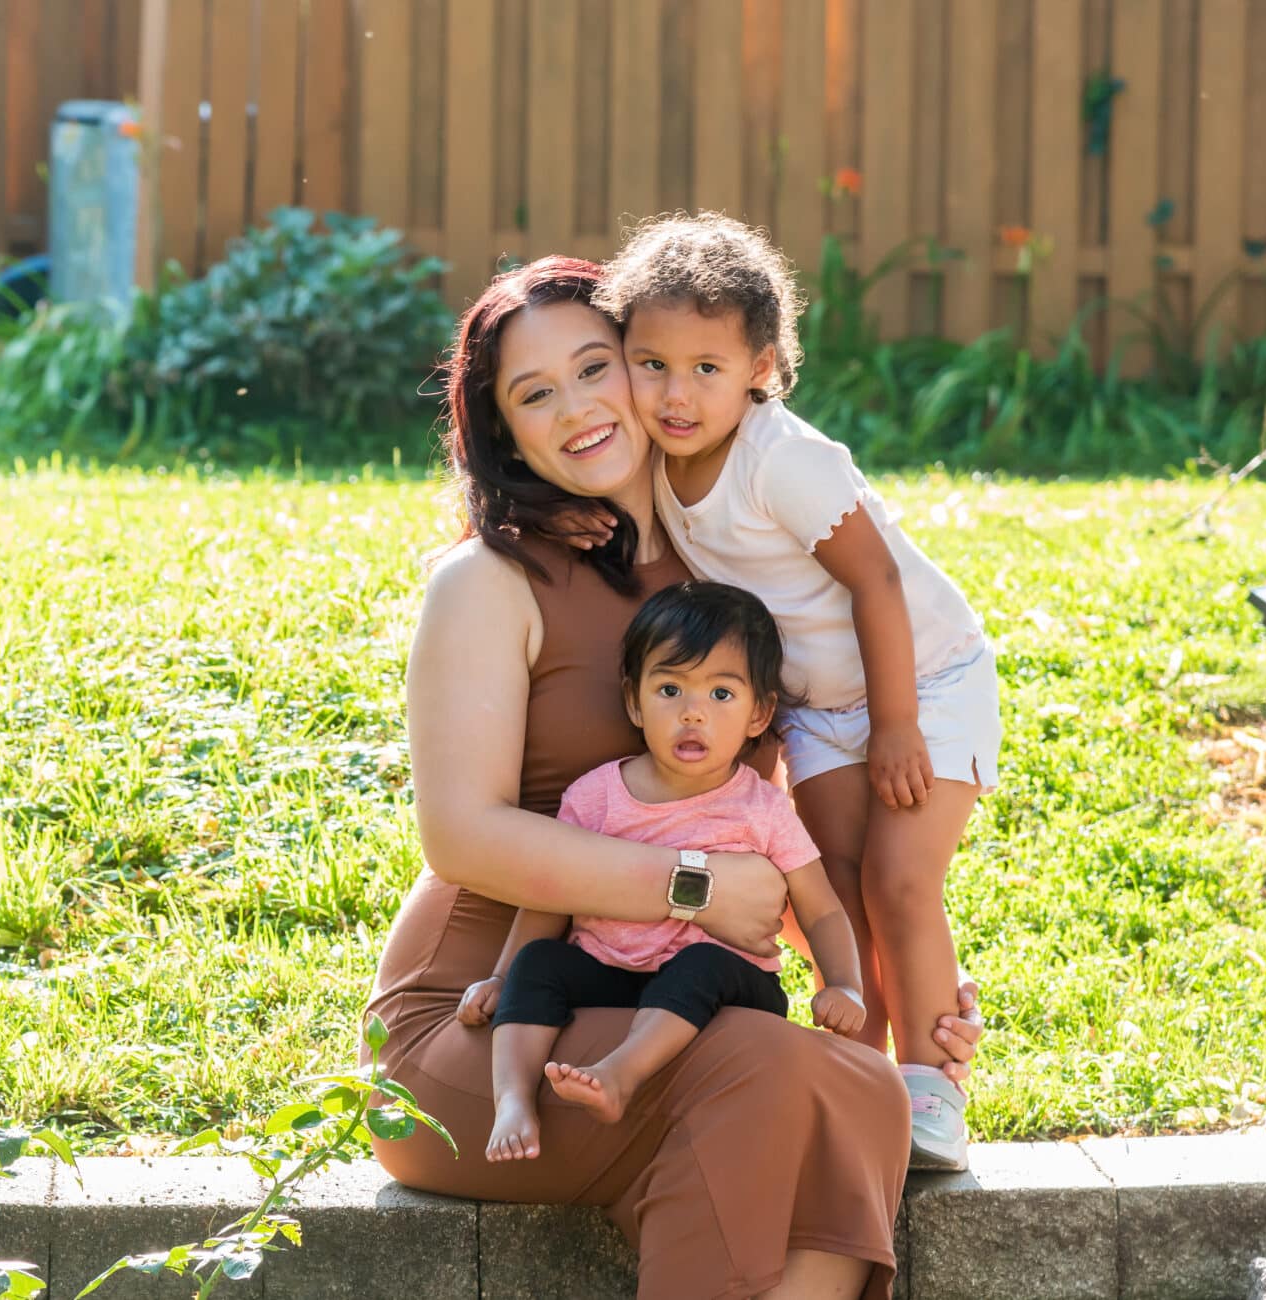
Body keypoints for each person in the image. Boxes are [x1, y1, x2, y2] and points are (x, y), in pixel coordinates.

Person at [364, 255, 982, 1300]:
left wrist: (892, 986)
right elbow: (461, 837)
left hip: (659, 1006)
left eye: (595, 368)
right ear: (502, 430)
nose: (576, 410)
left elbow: (762, 844)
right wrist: (686, 884)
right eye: (532, 393)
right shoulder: (485, 582)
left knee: (861, 1090)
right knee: (763, 1066)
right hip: (484, 1019)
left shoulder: (727, 579)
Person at [589, 212, 1002, 1170]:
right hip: (817, 707)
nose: (676, 394)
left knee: (904, 879)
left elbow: (878, 580)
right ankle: (861, 1076)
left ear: (761, 367)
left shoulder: (786, 460)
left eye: (706, 369)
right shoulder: (654, 466)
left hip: (925, 680)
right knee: (839, 892)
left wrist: (897, 725)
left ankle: (936, 1091)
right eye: (650, 364)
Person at [459, 580, 867, 1164]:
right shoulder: (596, 797)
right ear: (634, 702)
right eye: (670, 688)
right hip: (612, 972)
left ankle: (620, 1075)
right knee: (540, 963)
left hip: (728, 984)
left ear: (760, 714)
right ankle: (513, 1100)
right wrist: (502, 977)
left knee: (697, 963)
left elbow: (820, 905)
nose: (693, 711)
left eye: (722, 694)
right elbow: (550, 897)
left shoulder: (763, 810)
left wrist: (842, 983)